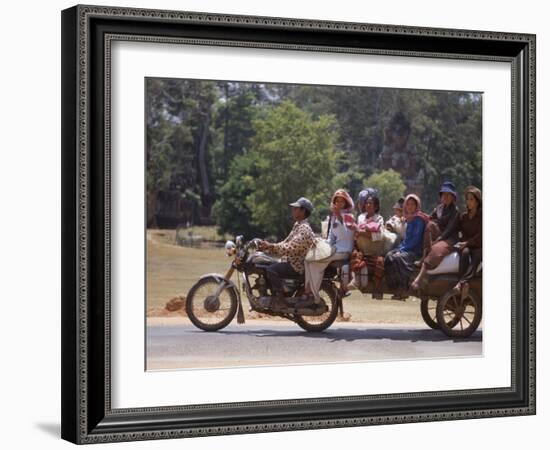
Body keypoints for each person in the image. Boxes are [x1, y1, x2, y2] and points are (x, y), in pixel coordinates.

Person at [258, 197, 315, 308]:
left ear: (303, 211)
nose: (293, 210)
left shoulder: (304, 229)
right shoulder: (297, 225)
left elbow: (290, 247)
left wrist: (272, 246)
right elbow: (285, 242)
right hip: (291, 261)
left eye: (296, 208)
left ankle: (280, 300)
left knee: (271, 270)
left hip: (296, 265)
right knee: (267, 264)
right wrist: (268, 247)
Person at [302, 190, 354, 304]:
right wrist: (319, 241)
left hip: (344, 250)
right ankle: (308, 290)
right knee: (308, 258)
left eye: (342, 201)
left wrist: (338, 215)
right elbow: (330, 239)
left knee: (313, 261)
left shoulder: (349, 216)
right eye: (337, 201)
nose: (339, 204)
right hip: (334, 249)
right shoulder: (333, 217)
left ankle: (313, 296)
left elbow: (346, 230)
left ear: (346, 203)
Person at [411, 181, 460, 291]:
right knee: (429, 225)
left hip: (450, 238)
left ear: (453, 197)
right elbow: (430, 221)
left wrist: (438, 240)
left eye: (448, 195)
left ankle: (419, 279)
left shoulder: (455, 212)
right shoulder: (439, 209)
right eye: (444, 194)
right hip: (439, 235)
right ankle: (424, 255)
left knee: (436, 249)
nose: (446, 197)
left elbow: (449, 230)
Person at [384, 194, 429, 300]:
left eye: (412, 204)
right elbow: (406, 239)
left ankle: (404, 289)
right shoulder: (409, 219)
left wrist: (401, 250)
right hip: (407, 248)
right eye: (408, 204)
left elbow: (415, 239)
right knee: (389, 256)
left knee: (398, 258)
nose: (409, 206)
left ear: (417, 205)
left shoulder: (418, 219)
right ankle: (395, 288)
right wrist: (399, 249)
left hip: (416, 251)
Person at [452, 186, 482, 300]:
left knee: (477, 255)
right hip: (467, 244)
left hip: (479, 245)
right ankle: (463, 284)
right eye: (467, 199)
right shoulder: (464, 216)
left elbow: (481, 235)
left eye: (471, 199)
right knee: (464, 253)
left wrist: (467, 242)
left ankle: (461, 283)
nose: (468, 202)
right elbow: (457, 230)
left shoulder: (483, 217)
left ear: (477, 201)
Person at [354, 191, 385, 298]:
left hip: (374, 251)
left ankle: (376, 287)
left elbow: (379, 236)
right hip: (362, 250)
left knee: (380, 262)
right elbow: (357, 232)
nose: (368, 205)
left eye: (371, 203)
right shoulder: (360, 217)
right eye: (366, 203)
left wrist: (363, 233)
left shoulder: (379, 219)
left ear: (376, 206)